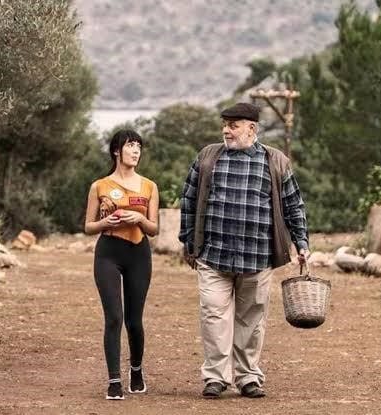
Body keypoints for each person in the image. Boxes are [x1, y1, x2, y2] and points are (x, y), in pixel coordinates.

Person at [178, 102, 310, 399]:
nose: (226, 130)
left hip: (258, 257)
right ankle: (216, 378)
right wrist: (188, 242)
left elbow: (293, 205)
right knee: (214, 316)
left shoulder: (275, 161)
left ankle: (248, 377)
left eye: (233, 125)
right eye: (225, 124)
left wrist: (301, 242)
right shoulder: (208, 157)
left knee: (251, 320)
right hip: (213, 255)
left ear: (251, 128)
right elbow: (188, 199)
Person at [84, 129, 159, 400]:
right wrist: (105, 222)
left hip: (139, 254)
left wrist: (139, 219)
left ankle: (136, 371)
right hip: (108, 253)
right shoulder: (99, 186)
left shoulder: (149, 186)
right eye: (130, 145)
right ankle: (114, 380)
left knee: (134, 321)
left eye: (139, 146)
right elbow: (88, 226)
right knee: (114, 317)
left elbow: (154, 229)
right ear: (117, 150)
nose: (136, 150)